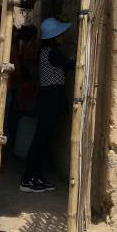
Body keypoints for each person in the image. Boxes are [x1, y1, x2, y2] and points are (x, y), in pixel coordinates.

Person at [20, 17, 73, 193]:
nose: (63, 36)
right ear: (55, 36)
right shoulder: (52, 52)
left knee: (44, 139)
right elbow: (69, 65)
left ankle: (36, 176)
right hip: (50, 98)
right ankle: (27, 179)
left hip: (48, 98)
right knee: (41, 140)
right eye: (61, 34)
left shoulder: (46, 51)